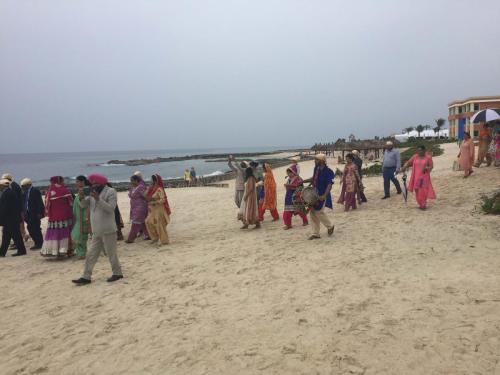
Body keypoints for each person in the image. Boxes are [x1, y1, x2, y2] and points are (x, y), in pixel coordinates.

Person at [72, 173, 123, 285]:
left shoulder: (110, 191)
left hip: (108, 229)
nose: (93, 185)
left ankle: (117, 273)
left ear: (101, 183)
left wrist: (98, 199)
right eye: (92, 183)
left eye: (95, 183)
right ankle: (86, 276)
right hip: (96, 230)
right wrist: (81, 197)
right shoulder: (91, 192)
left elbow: (110, 209)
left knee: (111, 254)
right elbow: (84, 205)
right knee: (91, 254)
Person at [303, 154, 335, 240]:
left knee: (319, 212)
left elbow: (329, 184)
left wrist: (324, 195)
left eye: (316, 160)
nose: (314, 161)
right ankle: (315, 233)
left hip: (322, 194)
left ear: (321, 161)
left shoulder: (329, 171)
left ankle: (330, 226)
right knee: (313, 212)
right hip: (314, 193)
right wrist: (303, 181)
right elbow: (313, 179)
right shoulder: (316, 169)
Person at [41, 176, 73, 258]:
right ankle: (66, 250)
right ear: (59, 181)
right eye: (62, 181)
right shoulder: (65, 190)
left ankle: (55, 251)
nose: (63, 183)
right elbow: (71, 202)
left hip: (53, 217)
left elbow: (47, 206)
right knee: (65, 233)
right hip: (65, 215)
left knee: (55, 234)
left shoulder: (49, 191)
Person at [402, 145, 436, 210]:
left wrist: (427, 168)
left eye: (420, 150)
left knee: (422, 191)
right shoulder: (415, 156)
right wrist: (404, 167)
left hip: (424, 176)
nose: (419, 152)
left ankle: (423, 204)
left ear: (424, 150)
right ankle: (420, 203)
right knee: (417, 191)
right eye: (418, 150)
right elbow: (409, 162)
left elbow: (431, 166)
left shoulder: (428, 157)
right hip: (415, 177)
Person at [0, 178, 26, 257]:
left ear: (3, 186)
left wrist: (1, 217)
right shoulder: (9, 192)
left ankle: (21, 250)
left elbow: (5, 208)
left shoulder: (7, 193)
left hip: (10, 219)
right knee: (8, 236)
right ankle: (2, 252)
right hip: (12, 218)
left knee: (13, 235)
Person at [145, 174, 172, 246]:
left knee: (159, 224)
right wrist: (148, 188)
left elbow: (163, 199)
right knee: (148, 221)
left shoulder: (159, 189)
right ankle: (155, 238)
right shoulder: (152, 188)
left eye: (151, 179)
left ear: (155, 180)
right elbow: (145, 196)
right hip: (152, 209)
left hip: (159, 209)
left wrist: (155, 202)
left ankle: (163, 240)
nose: (150, 181)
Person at [20, 178, 45, 250]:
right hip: (28, 213)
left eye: (23, 186)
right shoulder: (25, 192)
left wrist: (40, 212)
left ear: (28, 185)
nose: (22, 187)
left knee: (34, 228)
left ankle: (39, 243)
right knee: (32, 228)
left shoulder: (35, 191)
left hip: (35, 213)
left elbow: (39, 202)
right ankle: (37, 243)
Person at [71, 176, 91, 259]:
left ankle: (82, 253)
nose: (76, 183)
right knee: (78, 235)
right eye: (76, 181)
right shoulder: (81, 190)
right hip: (79, 217)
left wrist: (81, 196)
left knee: (80, 236)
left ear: (82, 182)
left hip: (84, 216)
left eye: (77, 181)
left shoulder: (86, 190)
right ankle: (81, 253)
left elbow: (84, 204)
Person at [126, 174, 149, 243]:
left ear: (136, 180)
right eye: (130, 181)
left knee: (135, 223)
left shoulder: (141, 187)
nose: (131, 182)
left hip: (140, 207)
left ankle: (130, 239)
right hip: (134, 207)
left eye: (132, 181)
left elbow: (145, 196)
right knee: (142, 222)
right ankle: (148, 235)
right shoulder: (132, 188)